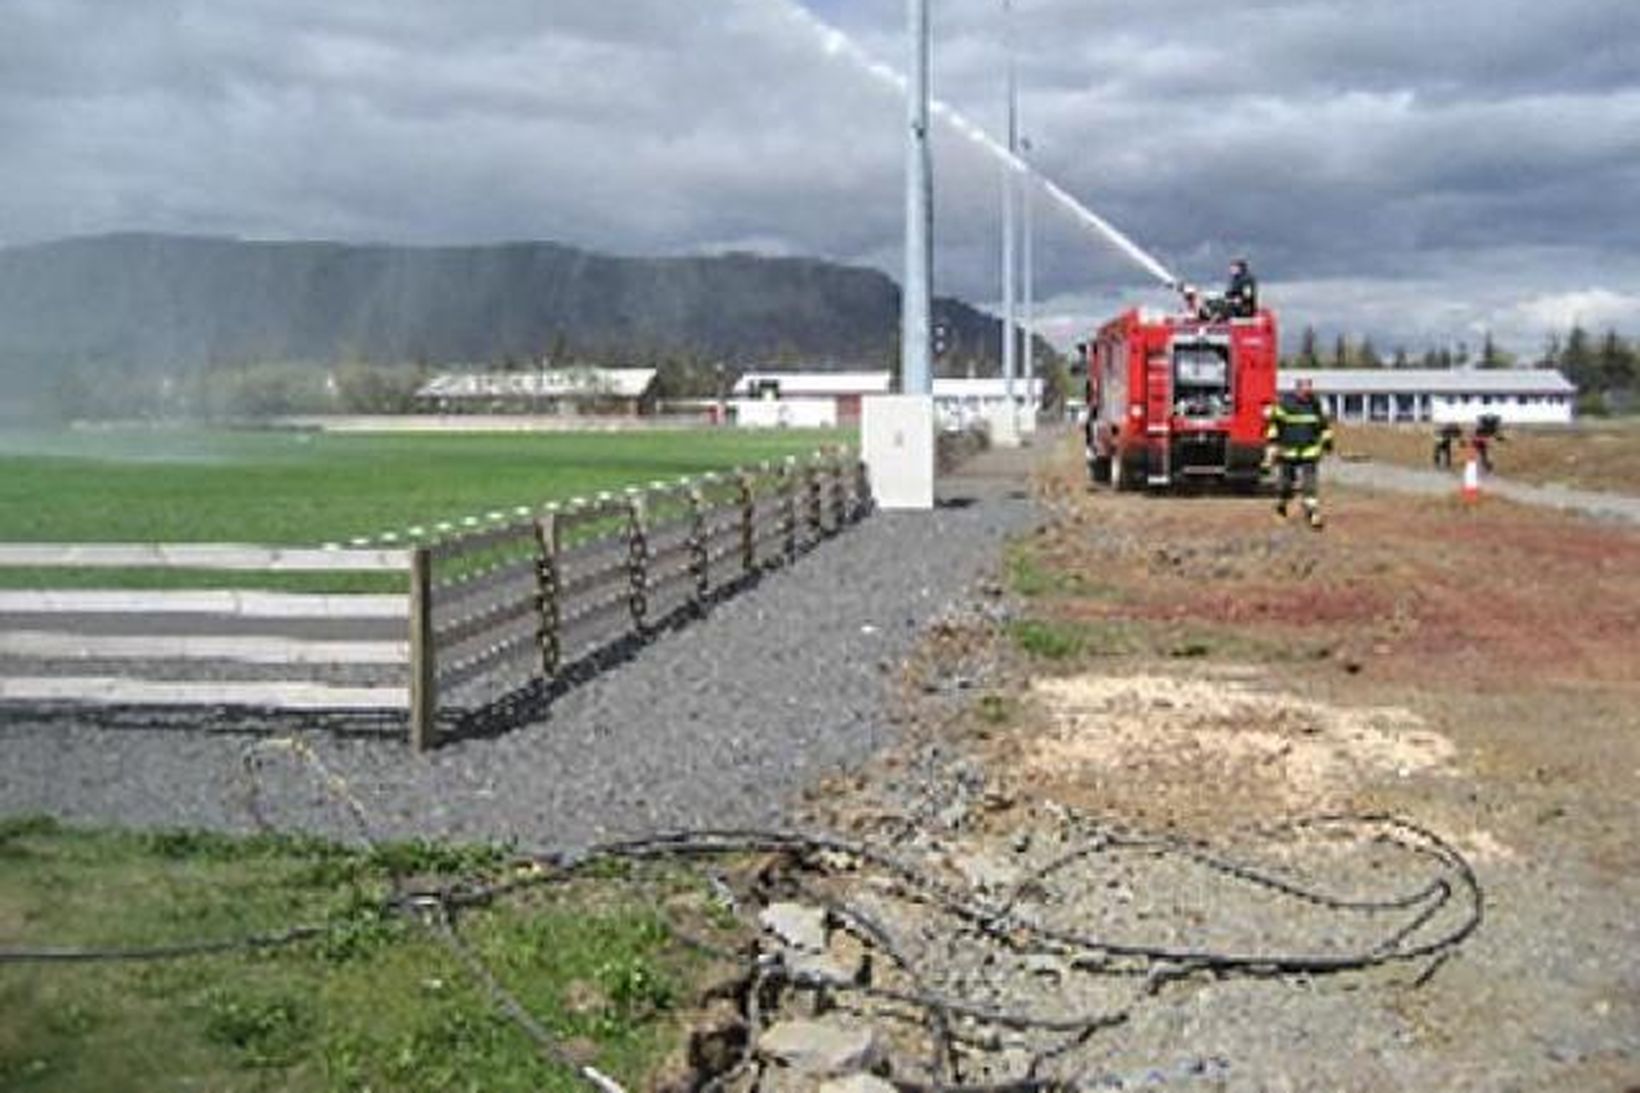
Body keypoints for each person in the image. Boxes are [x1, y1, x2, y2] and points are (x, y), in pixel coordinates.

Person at [1265, 378, 1334, 529]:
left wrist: (1328, 442)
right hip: (1288, 452)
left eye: (1309, 387)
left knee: (1310, 484)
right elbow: (1274, 423)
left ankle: (1312, 514)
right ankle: (1281, 505)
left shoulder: (1316, 405)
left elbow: (1324, 425)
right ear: (1297, 389)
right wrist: (1272, 442)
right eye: (1305, 388)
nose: (1308, 391)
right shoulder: (1285, 404)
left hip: (1309, 451)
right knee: (1285, 485)